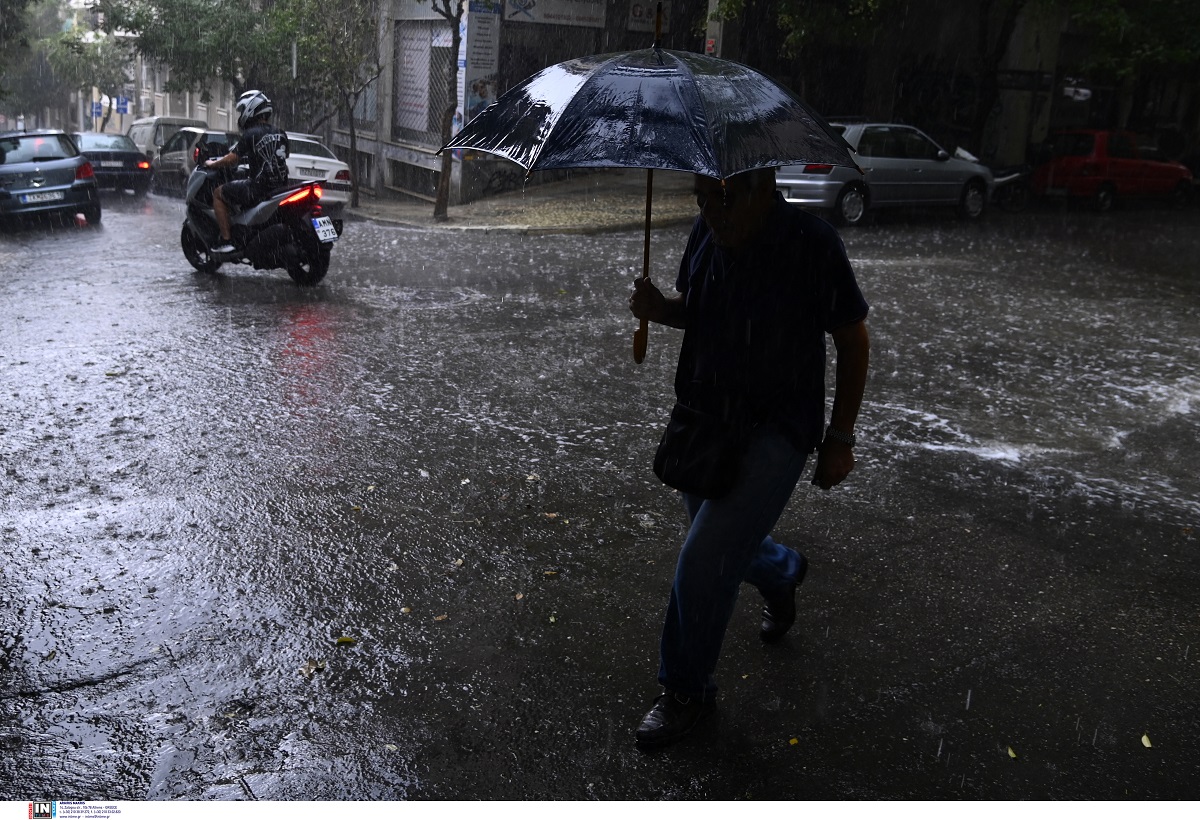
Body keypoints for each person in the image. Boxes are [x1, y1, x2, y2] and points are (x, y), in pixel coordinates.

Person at [627, 167, 871, 749]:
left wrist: (840, 436)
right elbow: (700, 307)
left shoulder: (813, 244)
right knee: (720, 545)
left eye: (726, 198)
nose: (713, 211)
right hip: (707, 419)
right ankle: (781, 570)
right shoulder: (705, 233)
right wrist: (661, 309)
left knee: (704, 558)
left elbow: (852, 338)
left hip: (777, 428)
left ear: (765, 188)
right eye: (703, 198)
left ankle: (686, 691)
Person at [204, 89, 291, 254]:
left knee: (218, 193)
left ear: (250, 110)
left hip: (258, 189)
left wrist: (213, 164)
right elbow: (282, 155)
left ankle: (226, 240)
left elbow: (232, 159)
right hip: (280, 187)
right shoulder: (281, 133)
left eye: (242, 110)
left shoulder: (251, 134)